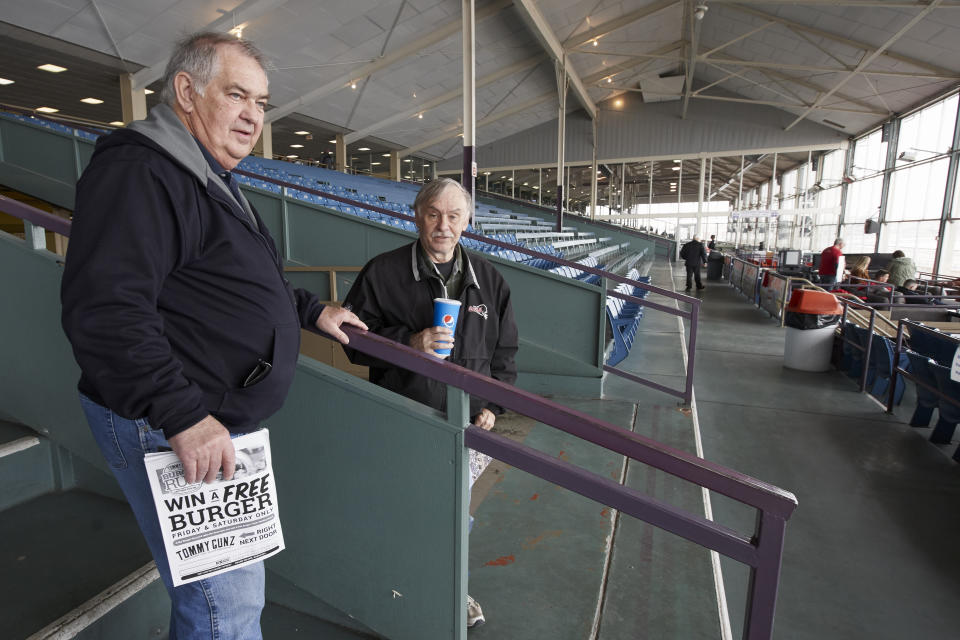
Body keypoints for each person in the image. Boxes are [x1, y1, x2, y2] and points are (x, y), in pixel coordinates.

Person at [60, 32, 366, 639]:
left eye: (261, 101)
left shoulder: (201, 169)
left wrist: (307, 310)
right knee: (223, 608)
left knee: (224, 604)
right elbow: (105, 308)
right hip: (175, 424)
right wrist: (182, 414)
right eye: (237, 95)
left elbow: (220, 278)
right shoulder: (141, 170)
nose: (254, 115)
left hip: (204, 422)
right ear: (186, 92)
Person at [343, 177, 518, 628]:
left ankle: (450, 590)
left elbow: (505, 356)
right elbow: (351, 342)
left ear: (468, 221)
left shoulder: (491, 281)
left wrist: (493, 407)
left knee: (454, 513)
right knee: (406, 506)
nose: (444, 225)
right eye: (434, 214)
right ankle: (398, 586)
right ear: (417, 216)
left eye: (454, 215)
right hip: (403, 416)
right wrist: (410, 342)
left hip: (469, 426)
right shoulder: (382, 272)